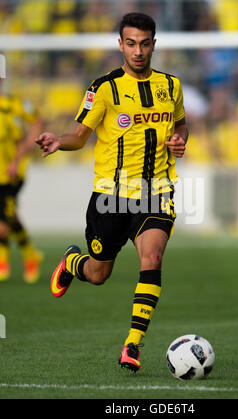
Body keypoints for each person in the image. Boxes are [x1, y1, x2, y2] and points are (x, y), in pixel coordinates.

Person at [36, 12, 188, 372]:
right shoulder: (103, 87)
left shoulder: (172, 85)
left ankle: (132, 345)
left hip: (157, 190)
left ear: (154, 44)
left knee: (152, 257)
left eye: (145, 43)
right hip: (111, 196)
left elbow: (181, 121)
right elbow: (79, 134)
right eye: (131, 43)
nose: (138, 51)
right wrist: (59, 141)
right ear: (121, 44)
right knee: (98, 273)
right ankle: (73, 262)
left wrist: (181, 139)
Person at [0, 77, 43, 283]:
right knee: (8, 217)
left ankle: (9, 261)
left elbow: (37, 121)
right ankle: (28, 255)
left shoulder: (11, 105)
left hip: (11, 172)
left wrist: (21, 155)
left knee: (4, 219)